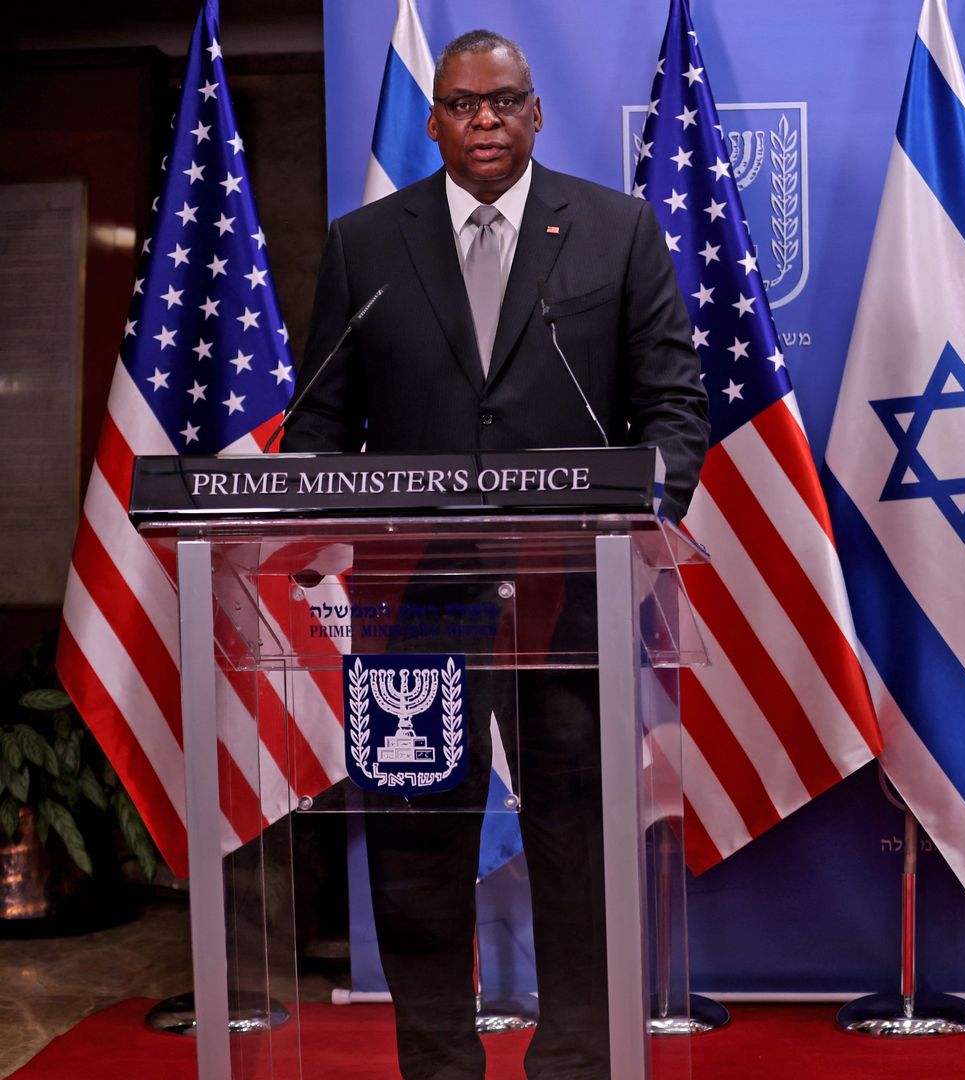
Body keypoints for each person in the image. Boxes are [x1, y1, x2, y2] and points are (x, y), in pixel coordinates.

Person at [281, 29, 707, 1080]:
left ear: (536, 114)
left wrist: (637, 516)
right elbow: (323, 421)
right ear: (434, 120)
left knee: (578, 838)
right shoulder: (366, 244)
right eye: (465, 106)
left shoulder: (615, 231)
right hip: (412, 597)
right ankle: (436, 1063)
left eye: (505, 103)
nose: (486, 123)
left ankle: (573, 1061)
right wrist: (309, 511)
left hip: (573, 588)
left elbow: (672, 406)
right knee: (419, 841)